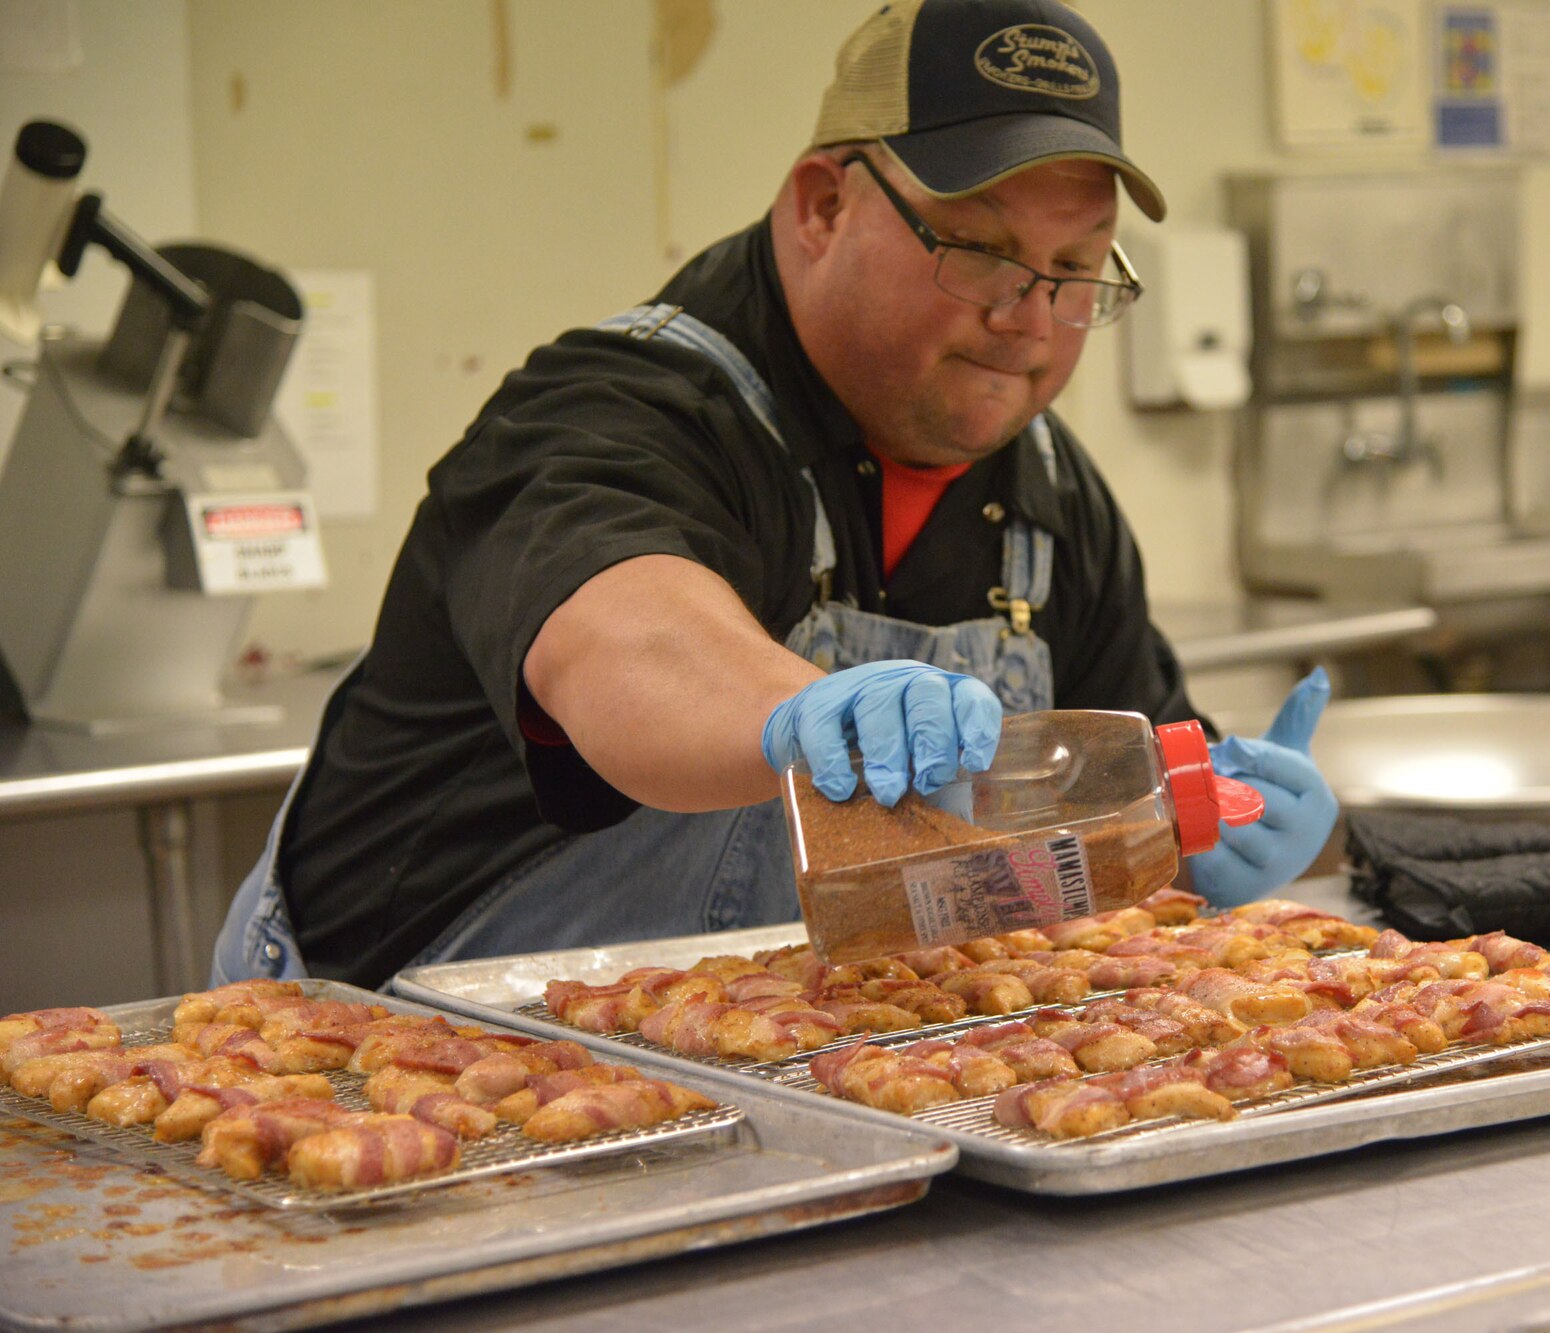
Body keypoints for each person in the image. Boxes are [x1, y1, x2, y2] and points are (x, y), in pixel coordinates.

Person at [211, 0, 1338, 990]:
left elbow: (1113, 815)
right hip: (388, 1027)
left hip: (771, 1059)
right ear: (819, 207)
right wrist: (793, 715)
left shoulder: (1052, 503)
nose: (1031, 319)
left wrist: (1204, 823)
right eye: (981, 251)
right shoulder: (613, 407)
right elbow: (620, 642)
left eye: (1076, 267)